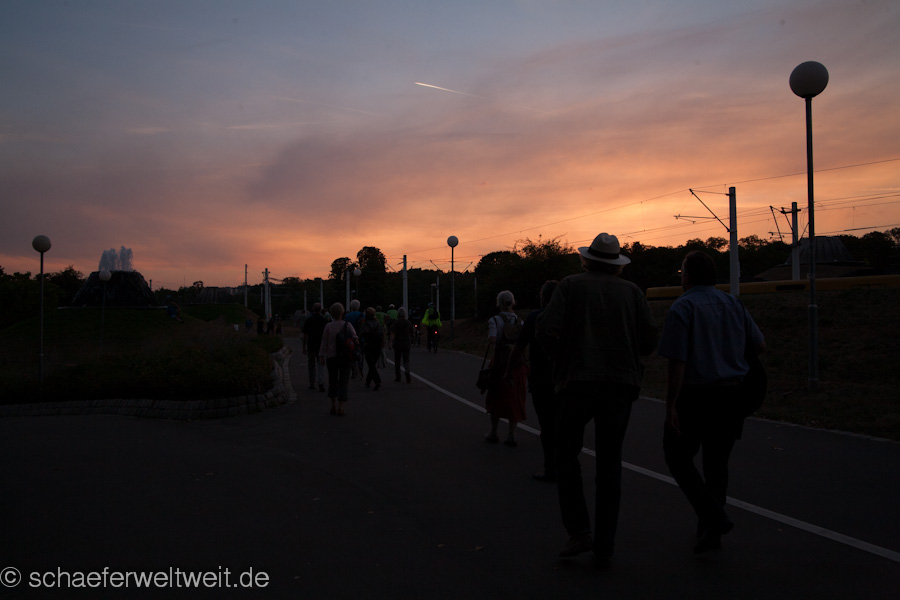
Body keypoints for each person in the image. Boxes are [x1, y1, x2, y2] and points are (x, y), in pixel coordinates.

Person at [537, 232, 658, 566]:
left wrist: (562, 357)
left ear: (587, 260)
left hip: (576, 382)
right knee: (610, 463)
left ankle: (579, 531)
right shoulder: (632, 292)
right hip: (620, 385)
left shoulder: (570, 286)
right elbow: (650, 340)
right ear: (617, 263)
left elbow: (545, 330)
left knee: (566, 455)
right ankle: (606, 544)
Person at [658, 250, 766, 554]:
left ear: (689, 276)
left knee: (677, 456)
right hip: (731, 396)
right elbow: (760, 345)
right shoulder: (733, 304)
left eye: (682, 272)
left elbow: (677, 362)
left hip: (695, 396)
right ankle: (710, 532)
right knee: (717, 465)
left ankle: (713, 516)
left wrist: (670, 405)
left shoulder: (682, 307)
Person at [509, 280, 559, 481]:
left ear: (543, 297)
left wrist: (508, 371)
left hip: (541, 379)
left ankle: (551, 468)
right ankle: (567, 465)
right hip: (568, 379)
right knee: (565, 424)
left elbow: (518, 348)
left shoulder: (534, 318)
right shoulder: (570, 316)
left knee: (547, 426)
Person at [483, 290, 527, 447]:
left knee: (495, 397)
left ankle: (494, 432)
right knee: (515, 398)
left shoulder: (495, 320)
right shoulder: (520, 322)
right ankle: (511, 434)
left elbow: (493, 339)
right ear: (513, 302)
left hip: (500, 364)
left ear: (499, 303)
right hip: (517, 364)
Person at [319, 302, 359, 416]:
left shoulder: (328, 326)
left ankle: (333, 405)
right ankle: (341, 406)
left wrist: (321, 355)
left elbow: (324, 342)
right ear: (342, 312)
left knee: (332, 380)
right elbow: (355, 338)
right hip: (346, 357)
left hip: (331, 357)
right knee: (343, 381)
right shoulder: (347, 325)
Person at [302, 302, 327, 392]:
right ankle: (321, 382)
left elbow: (305, 335)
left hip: (311, 345)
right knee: (321, 365)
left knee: (311, 365)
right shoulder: (324, 321)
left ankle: (312, 383)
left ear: (313, 309)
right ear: (321, 309)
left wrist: (304, 346)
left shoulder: (309, 320)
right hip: (321, 346)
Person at [359, 307, 384, 390]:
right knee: (372, 364)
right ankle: (368, 381)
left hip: (368, 345)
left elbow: (361, 334)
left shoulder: (365, 324)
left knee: (370, 364)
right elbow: (382, 334)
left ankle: (377, 381)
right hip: (377, 346)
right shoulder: (378, 324)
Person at [389, 307, 415, 383]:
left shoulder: (396, 323)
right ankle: (407, 373)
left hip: (398, 343)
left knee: (397, 360)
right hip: (406, 342)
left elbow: (393, 333)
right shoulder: (408, 323)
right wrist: (412, 340)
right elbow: (412, 332)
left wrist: (390, 342)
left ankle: (398, 376)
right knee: (406, 359)